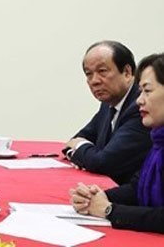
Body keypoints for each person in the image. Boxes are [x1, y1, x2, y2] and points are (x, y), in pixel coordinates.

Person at [70, 53, 164, 233]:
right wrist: (98, 197)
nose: (139, 100)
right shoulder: (158, 139)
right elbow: (138, 186)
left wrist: (109, 210)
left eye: (147, 91)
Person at [64, 41, 151, 184]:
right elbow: (77, 139)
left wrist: (81, 150)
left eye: (102, 71)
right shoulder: (108, 103)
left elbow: (104, 163)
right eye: (89, 74)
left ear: (127, 72)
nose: (94, 81)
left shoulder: (140, 107)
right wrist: (82, 150)